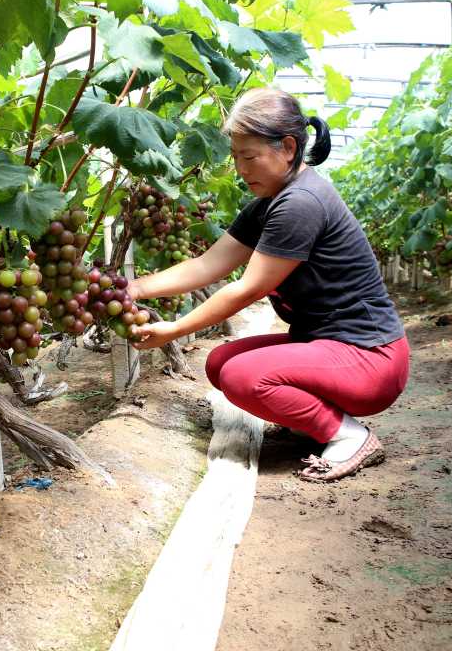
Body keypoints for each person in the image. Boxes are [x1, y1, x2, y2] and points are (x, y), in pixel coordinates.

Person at [130, 88, 410, 482]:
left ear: (289, 147)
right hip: (333, 348)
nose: (241, 169)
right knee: (220, 363)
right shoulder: (269, 203)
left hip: (370, 358)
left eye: (249, 157)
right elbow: (207, 264)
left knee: (243, 377)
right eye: (235, 158)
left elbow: (247, 289)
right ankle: (313, 425)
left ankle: (350, 436)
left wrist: (174, 330)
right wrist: (135, 289)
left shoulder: (301, 203)